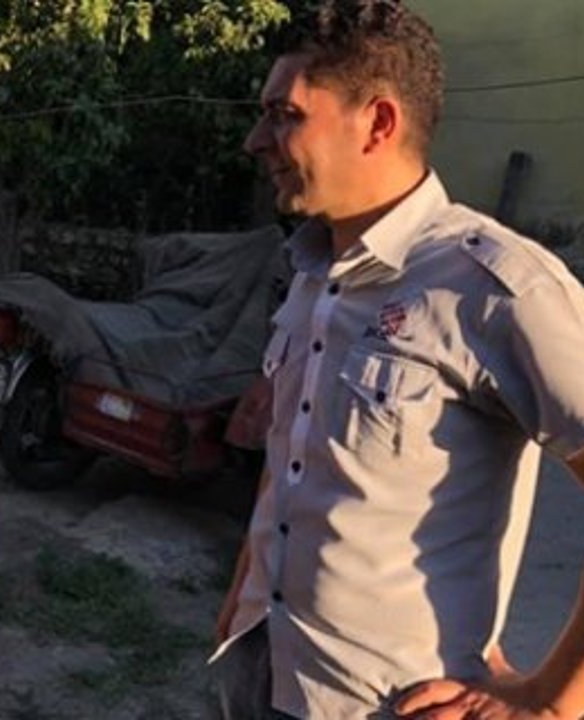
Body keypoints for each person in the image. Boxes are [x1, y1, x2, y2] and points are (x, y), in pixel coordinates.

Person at [212, 1, 584, 718]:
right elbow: (290, 455)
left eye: (285, 115)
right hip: (263, 671)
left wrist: (549, 702)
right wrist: (241, 599)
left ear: (378, 122)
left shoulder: (495, 288)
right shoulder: (313, 272)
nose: (257, 140)